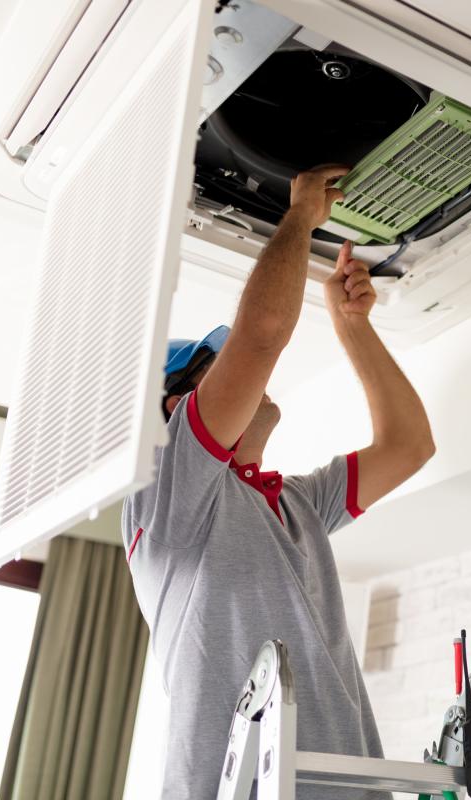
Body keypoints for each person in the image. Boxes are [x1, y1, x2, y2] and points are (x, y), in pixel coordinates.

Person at [121, 165, 435, 798]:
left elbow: (408, 447)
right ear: (177, 410)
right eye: (217, 371)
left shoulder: (296, 504)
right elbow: (262, 335)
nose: (248, 379)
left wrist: (353, 328)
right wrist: (301, 217)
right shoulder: (168, 494)